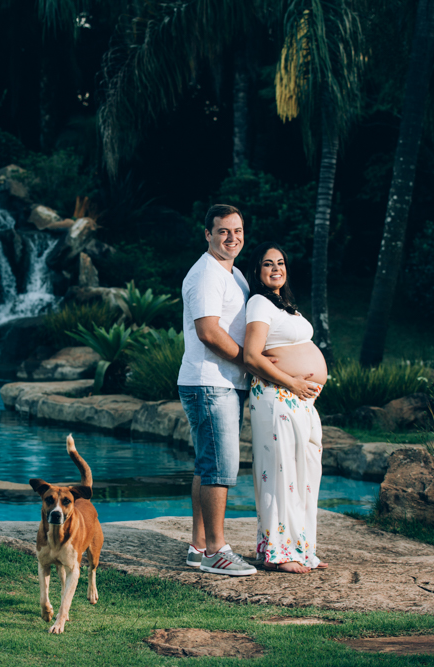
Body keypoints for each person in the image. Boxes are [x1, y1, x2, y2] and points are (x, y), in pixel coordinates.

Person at [177, 204, 256, 576]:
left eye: (237, 231)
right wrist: (250, 363)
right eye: (223, 231)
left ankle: (198, 546)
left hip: (221, 382)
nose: (232, 238)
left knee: (207, 465)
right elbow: (208, 332)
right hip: (210, 382)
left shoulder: (234, 274)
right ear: (208, 234)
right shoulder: (207, 273)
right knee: (219, 468)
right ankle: (216, 551)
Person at [242, 243, 329, 573]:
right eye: (268, 264)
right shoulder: (259, 303)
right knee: (280, 474)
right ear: (257, 271)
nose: (276, 268)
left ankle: (302, 549)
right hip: (277, 396)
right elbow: (252, 356)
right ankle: (277, 552)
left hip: (300, 399)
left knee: (305, 474)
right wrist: (292, 382)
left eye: (280, 263)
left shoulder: (285, 305)